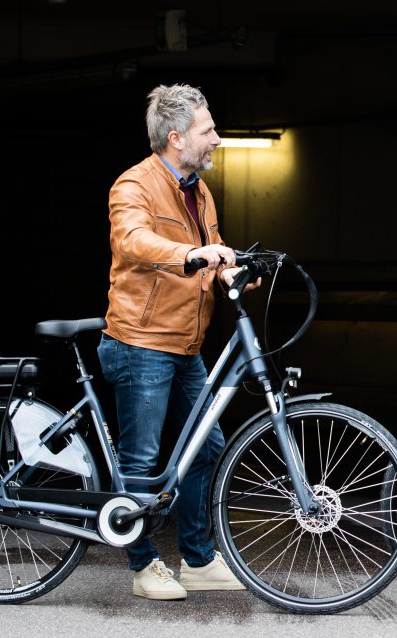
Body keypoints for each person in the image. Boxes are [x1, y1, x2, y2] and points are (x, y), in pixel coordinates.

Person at [97, 83, 252, 601]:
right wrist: (192, 254)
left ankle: (198, 559)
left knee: (205, 445)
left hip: (185, 343)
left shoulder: (199, 191)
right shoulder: (134, 185)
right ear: (176, 137)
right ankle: (142, 567)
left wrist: (229, 274)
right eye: (208, 131)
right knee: (140, 459)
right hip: (141, 341)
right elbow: (133, 241)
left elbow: (208, 258)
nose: (217, 138)